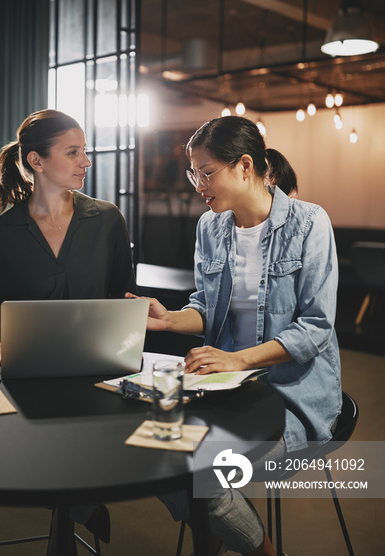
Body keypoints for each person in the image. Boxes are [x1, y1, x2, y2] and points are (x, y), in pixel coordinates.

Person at [127, 115, 342, 556]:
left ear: (245, 166)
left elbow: (316, 328)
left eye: (207, 173)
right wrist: (168, 319)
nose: (198, 185)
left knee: (199, 472)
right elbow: (207, 309)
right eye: (193, 173)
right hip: (227, 388)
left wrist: (239, 360)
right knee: (152, 453)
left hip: (291, 396)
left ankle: (259, 549)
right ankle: (229, 530)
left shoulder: (309, 223)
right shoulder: (210, 227)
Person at [0, 108, 137, 363]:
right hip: (24, 367)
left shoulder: (108, 219)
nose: (86, 162)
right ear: (37, 161)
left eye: (84, 150)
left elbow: (126, 299)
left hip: (99, 366)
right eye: (72, 152)